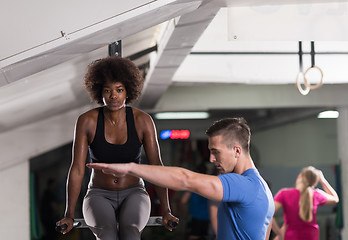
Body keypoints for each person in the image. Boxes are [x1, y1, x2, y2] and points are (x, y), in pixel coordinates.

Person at [87, 117, 275, 240]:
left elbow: (185, 179)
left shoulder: (244, 185)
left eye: (215, 152)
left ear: (236, 151)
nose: (211, 159)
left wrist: (130, 168)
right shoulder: (263, 189)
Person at [56, 56, 178, 240]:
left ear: (128, 91)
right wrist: (69, 214)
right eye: (107, 90)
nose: (113, 96)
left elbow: (156, 167)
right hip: (98, 194)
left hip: (134, 192)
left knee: (130, 233)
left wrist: (167, 210)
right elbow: (77, 169)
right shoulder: (87, 121)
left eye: (119, 90)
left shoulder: (142, 121)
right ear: (100, 92)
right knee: (107, 234)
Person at [271, 166, 339, 240]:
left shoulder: (284, 194)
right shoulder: (316, 195)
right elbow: (335, 198)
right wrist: (323, 180)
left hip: (291, 236)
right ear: (314, 182)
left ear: (300, 176)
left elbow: (269, 214)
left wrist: (279, 233)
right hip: (312, 236)